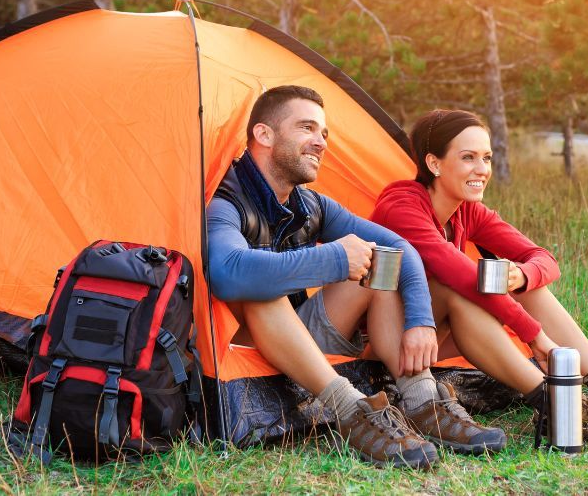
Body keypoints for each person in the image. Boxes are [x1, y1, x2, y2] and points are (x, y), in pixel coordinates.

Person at [204, 87, 506, 469]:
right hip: (242, 351)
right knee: (261, 289)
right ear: (264, 135)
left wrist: (419, 320)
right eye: (307, 128)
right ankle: (351, 412)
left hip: (298, 339)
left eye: (324, 133)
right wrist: (330, 258)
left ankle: (422, 400)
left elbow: (400, 248)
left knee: (381, 262)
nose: (320, 142)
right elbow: (227, 273)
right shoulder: (225, 202)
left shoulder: (309, 204)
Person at [370, 109, 588, 442]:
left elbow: (544, 259)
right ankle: (561, 404)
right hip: (386, 337)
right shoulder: (402, 205)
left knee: (524, 285)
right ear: (434, 164)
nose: (482, 169)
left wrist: (522, 275)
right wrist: (535, 336)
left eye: (487, 157)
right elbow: (460, 275)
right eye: (468, 157)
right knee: (461, 289)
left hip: (430, 334)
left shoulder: (466, 210)